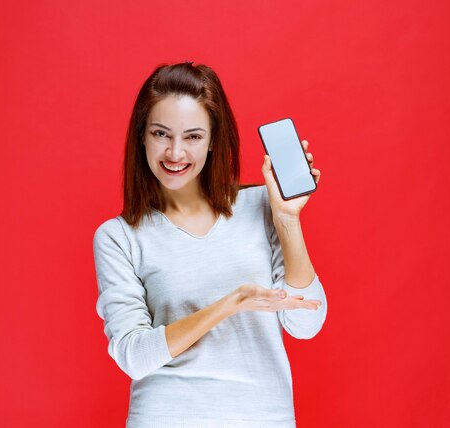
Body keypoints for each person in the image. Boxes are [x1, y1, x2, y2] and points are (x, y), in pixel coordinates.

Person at [92, 61, 328, 428]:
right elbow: (134, 355)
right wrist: (229, 304)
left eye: (192, 136)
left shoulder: (260, 207)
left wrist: (287, 218)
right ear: (141, 135)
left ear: (214, 139)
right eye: (160, 133)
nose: (175, 152)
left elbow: (306, 322)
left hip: (263, 417)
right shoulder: (119, 237)